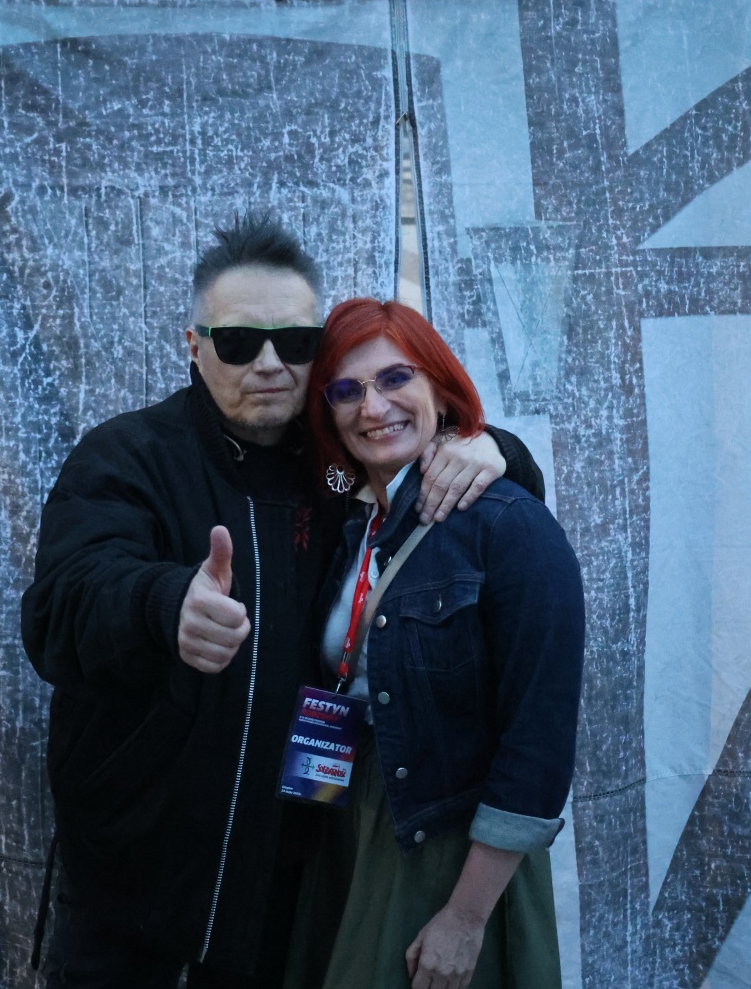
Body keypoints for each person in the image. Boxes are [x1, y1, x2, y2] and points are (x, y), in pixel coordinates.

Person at [21, 213, 544, 988]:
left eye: (295, 342)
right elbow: (62, 603)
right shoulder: (129, 455)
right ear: (194, 344)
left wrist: (498, 448)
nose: (268, 363)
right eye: (238, 341)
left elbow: (431, 465)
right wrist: (162, 603)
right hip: (139, 878)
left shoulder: (331, 467)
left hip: (286, 867)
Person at [286, 299, 584, 989]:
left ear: (441, 389)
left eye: (397, 378)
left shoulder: (511, 528)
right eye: (347, 390)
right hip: (346, 825)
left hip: (449, 849)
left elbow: (539, 743)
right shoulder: (349, 518)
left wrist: (466, 916)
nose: (373, 406)